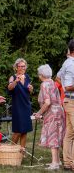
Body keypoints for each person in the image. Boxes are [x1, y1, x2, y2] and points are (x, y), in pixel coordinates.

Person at [33, 64, 65, 170]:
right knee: (58, 135)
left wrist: (39, 113)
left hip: (52, 113)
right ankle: (58, 161)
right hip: (59, 111)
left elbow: (47, 102)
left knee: (52, 136)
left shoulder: (44, 84)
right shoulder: (52, 82)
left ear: (41, 75)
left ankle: (54, 163)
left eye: (39, 74)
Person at [7, 58, 33, 150]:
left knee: (24, 130)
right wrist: (15, 81)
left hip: (26, 105)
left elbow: (28, 91)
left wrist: (30, 89)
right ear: (16, 67)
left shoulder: (27, 77)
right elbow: (9, 88)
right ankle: (11, 151)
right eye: (20, 66)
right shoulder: (13, 77)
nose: (22, 68)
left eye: (24, 66)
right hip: (17, 106)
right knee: (18, 130)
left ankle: (22, 152)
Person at [58, 39, 74, 170]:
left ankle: (68, 163)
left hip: (69, 101)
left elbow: (58, 77)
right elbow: (68, 86)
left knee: (69, 133)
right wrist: (64, 87)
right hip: (72, 101)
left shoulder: (67, 63)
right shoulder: (71, 64)